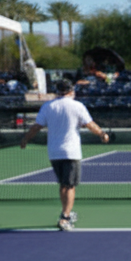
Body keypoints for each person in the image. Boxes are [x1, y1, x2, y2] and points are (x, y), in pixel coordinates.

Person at [19, 78, 109, 231]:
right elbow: (90, 125)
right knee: (70, 186)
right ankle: (65, 218)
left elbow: (36, 127)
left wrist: (25, 139)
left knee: (63, 185)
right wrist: (102, 134)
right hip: (71, 152)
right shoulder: (77, 106)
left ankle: (65, 211)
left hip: (54, 152)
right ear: (71, 91)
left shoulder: (48, 106)